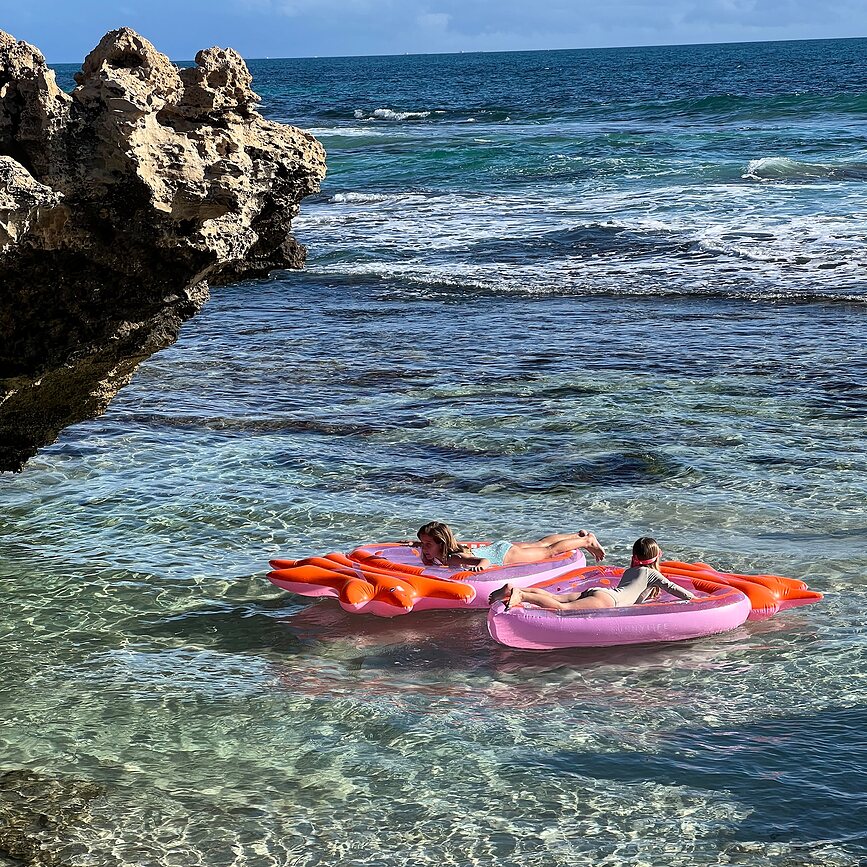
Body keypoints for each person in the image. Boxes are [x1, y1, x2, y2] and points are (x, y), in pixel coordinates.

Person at [488, 536, 695, 609]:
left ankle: (515, 589)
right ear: (657, 556)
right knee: (561, 607)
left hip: (601, 592)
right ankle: (521, 595)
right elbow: (678, 591)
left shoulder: (629, 572)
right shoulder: (652, 575)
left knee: (556, 597)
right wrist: (697, 601)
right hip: (608, 601)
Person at [415, 520, 606, 573]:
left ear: (441, 543)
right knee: (540, 544)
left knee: (549, 551)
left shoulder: (453, 557)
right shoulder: (446, 549)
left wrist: (480, 567)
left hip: (504, 556)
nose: (424, 548)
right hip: (499, 547)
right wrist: (418, 547)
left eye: (428, 544)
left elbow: (485, 560)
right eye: (423, 544)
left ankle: (586, 541)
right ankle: (576, 534)